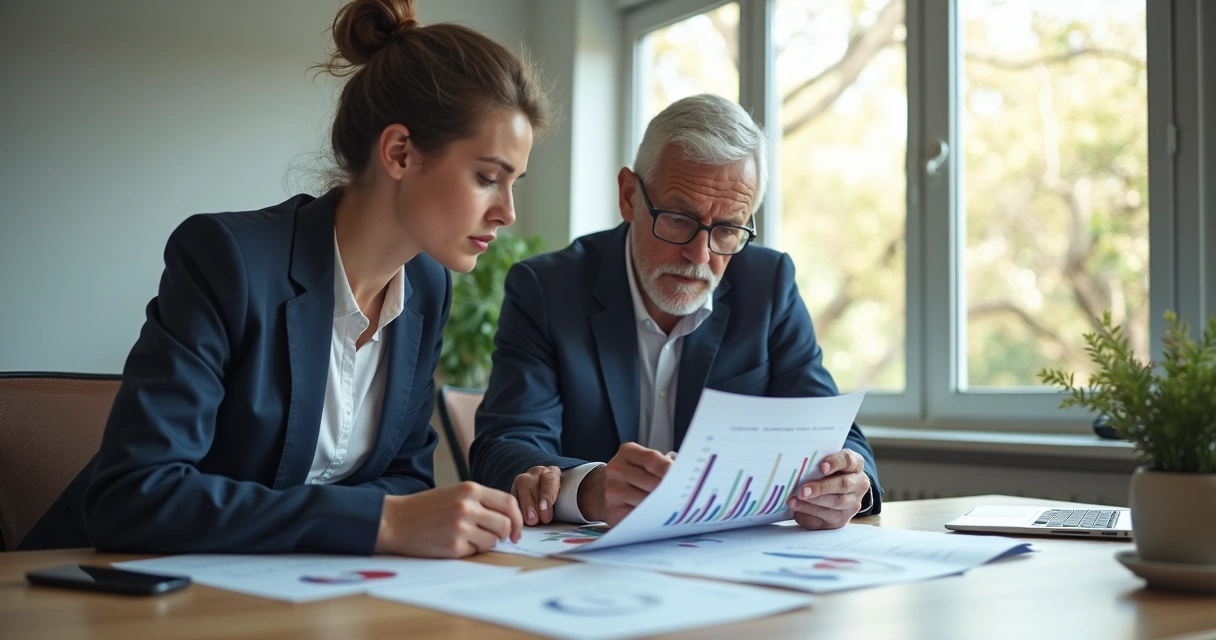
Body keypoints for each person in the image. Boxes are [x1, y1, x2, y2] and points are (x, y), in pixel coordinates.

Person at [21, 0, 552, 557]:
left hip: (277, 597)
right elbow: (134, 496)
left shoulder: (426, 286)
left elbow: (406, 478)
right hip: (100, 593)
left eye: (513, 181)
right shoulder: (229, 261)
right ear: (399, 152)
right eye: (488, 177)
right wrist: (378, 522)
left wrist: (394, 516)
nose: (507, 212)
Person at [469, 94, 881, 531]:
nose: (699, 254)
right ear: (629, 197)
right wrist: (591, 488)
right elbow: (505, 446)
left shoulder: (767, 285)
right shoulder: (548, 290)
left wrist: (849, 485)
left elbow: (834, 433)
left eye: (726, 229)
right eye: (680, 219)